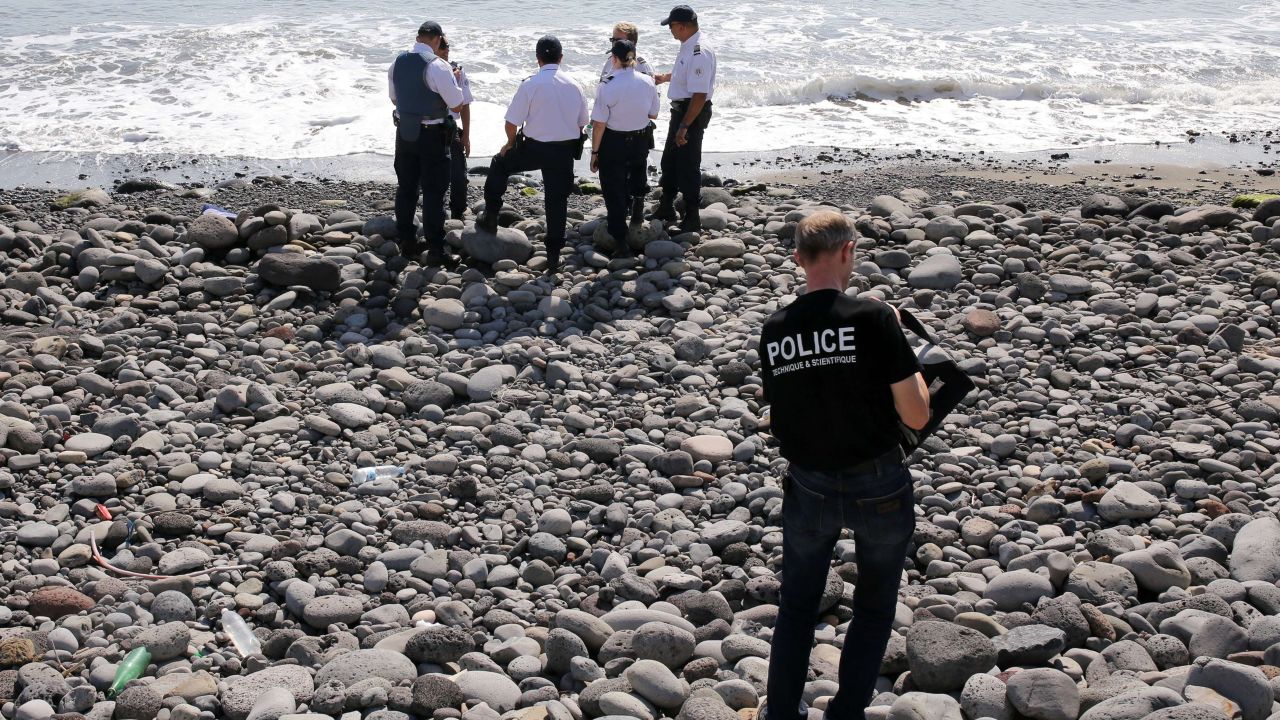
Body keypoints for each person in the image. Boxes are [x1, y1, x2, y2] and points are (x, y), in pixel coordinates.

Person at [758, 212, 931, 720]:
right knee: (875, 607)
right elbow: (916, 413)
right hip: (877, 477)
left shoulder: (775, 330)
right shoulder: (874, 318)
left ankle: (784, 714)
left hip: (809, 482)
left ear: (797, 259)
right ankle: (847, 711)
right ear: (848, 252)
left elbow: (783, 413)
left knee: (796, 609)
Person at [476, 35, 588, 275]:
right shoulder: (575, 85)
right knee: (556, 202)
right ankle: (553, 256)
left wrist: (509, 143)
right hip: (563, 151)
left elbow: (511, 121)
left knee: (500, 163)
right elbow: (583, 124)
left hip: (534, 148)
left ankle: (491, 214)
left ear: (538, 59)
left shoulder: (530, 84)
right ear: (561, 58)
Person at [388, 21, 466, 265]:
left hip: (405, 133)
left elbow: (394, 98)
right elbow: (456, 104)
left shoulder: (397, 63)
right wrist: (453, 80)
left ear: (417, 37)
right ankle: (435, 249)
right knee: (434, 192)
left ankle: (407, 241)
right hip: (433, 136)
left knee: (407, 187)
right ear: (438, 39)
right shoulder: (439, 66)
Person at [590, 39, 660, 258]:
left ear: (614, 59)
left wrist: (594, 152)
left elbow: (599, 123)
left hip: (614, 141)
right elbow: (653, 114)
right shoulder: (647, 82)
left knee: (613, 188)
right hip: (640, 138)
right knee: (638, 172)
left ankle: (620, 241)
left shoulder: (607, 83)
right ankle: (638, 214)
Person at [654, 5, 716, 234]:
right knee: (669, 161)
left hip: (691, 112)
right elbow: (685, 75)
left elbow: (699, 95)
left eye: (671, 26)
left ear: (682, 26)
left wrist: (684, 126)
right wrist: (665, 78)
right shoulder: (688, 45)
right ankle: (666, 207)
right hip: (681, 110)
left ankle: (692, 217)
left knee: (688, 166)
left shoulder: (699, 51)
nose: (670, 31)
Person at [436, 36, 474, 221]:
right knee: (432, 174)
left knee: (458, 174)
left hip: (451, 127)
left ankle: (458, 213)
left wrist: (466, 135)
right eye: (442, 46)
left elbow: (465, 105)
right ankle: (436, 213)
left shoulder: (457, 70)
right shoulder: (428, 69)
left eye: (447, 46)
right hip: (429, 127)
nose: (446, 50)